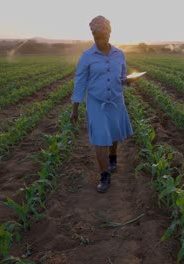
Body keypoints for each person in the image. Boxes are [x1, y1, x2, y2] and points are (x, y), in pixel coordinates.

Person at [70, 16, 136, 193]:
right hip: (96, 103)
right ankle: (104, 175)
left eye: (103, 36)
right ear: (92, 35)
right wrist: (75, 108)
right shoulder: (87, 57)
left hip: (115, 100)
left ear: (109, 34)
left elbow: (121, 77)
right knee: (100, 138)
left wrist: (127, 81)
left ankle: (113, 157)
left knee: (114, 133)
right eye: (96, 37)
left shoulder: (119, 54)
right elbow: (80, 82)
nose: (100, 40)